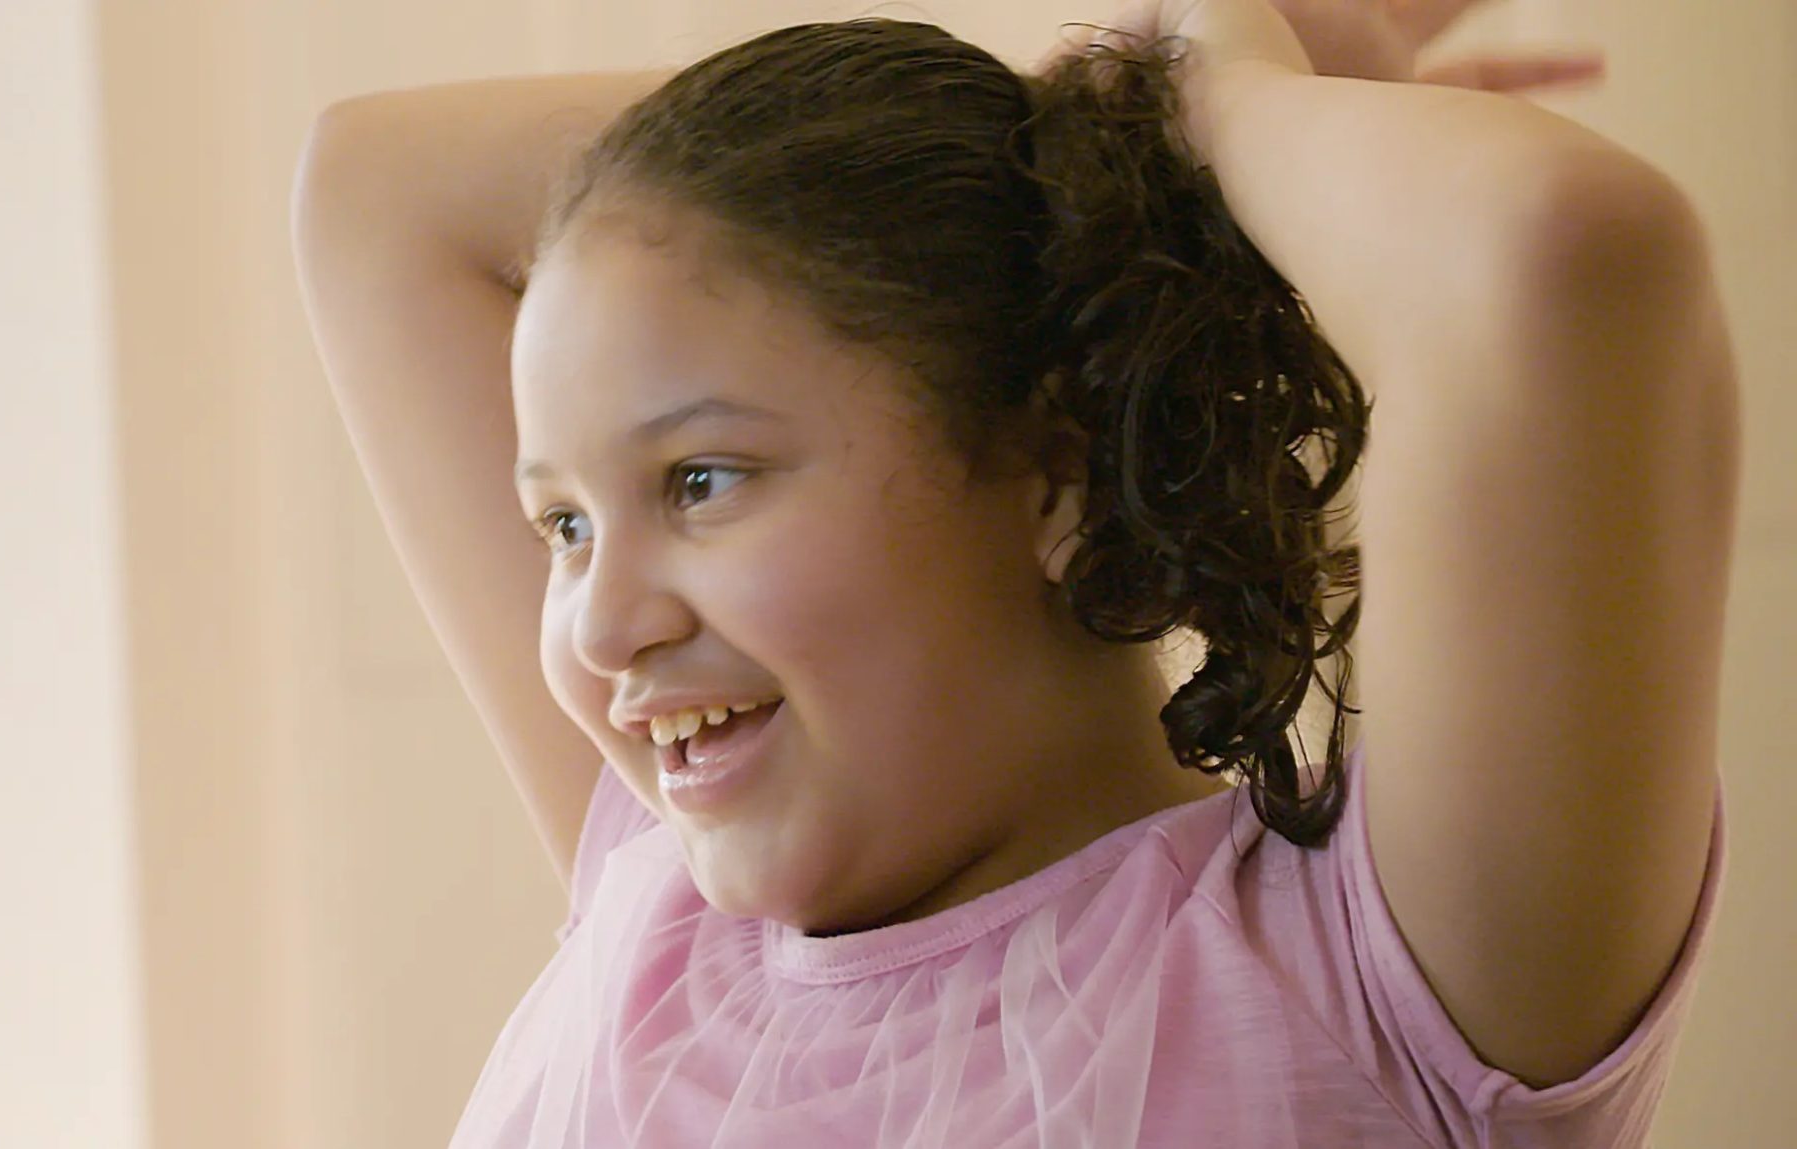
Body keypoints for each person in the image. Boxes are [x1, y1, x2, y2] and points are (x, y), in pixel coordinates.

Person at [289, 0, 1741, 1143]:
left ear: (1052, 476)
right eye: (563, 526)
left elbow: (1562, 252)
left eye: (701, 481)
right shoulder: (653, 904)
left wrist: (1202, 94)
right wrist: (1076, 163)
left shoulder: (1365, 991)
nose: (602, 624)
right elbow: (367, 186)